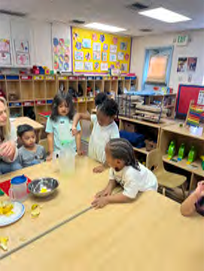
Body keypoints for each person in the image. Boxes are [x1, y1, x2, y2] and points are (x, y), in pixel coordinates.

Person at [91, 138, 158, 208]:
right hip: (135, 185)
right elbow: (113, 178)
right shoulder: (115, 165)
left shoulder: (131, 173)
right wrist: (108, 188)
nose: (105, 158)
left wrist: (107, 199)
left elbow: (129, 197)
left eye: (107, 156)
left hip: (148, 188)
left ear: (118, 162)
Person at [72, 96, 120, 173]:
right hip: (91, 160)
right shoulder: (96, 120)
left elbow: (114, 152)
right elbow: (79, 115)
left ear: (112, 117)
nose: (98, 121)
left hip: (104, 166)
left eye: (101, 120)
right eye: (97, 118)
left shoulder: (114, 130)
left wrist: (104, 166)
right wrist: (74, 126)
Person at [46, 93, 82, 161]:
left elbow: (78, 135)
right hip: (58, 152)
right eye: (61, 106)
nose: (64, 109)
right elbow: (50, 136)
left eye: (66, 106)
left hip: (72, 152)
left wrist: (79, 149)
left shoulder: (75, 118)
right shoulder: (51, 119)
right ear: (56, 107)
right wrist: (51, 153)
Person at [0, 97, 21, 174]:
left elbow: (10, 159)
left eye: (5, 111)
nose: (5, 116)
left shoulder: (9, 126)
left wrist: (12, 148)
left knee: (16, 167)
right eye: (0, 113)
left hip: (3, 162)